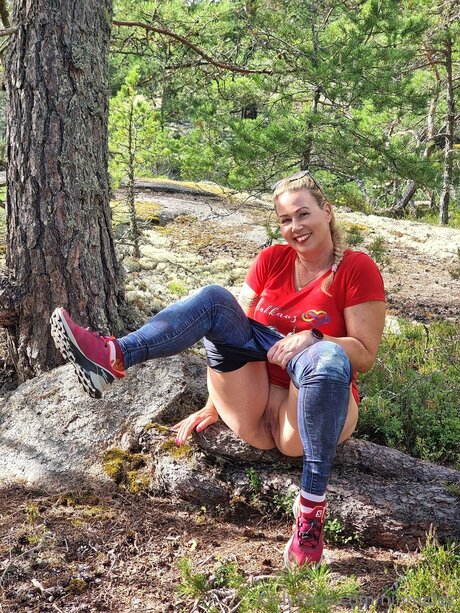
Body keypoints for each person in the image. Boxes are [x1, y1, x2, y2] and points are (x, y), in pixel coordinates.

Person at [50, 170, 386, 568]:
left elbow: (364, 354)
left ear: (326, 212)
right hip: (255, 401)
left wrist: (314, 337)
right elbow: (235, 333)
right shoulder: (271, 260)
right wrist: (216, 403)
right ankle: (112, 357)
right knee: (214, 300)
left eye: (303, 214)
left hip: (309, 405)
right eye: (285, 220)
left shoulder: (356, 268)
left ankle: (310, 514)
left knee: (327, 357)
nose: (295, 227)